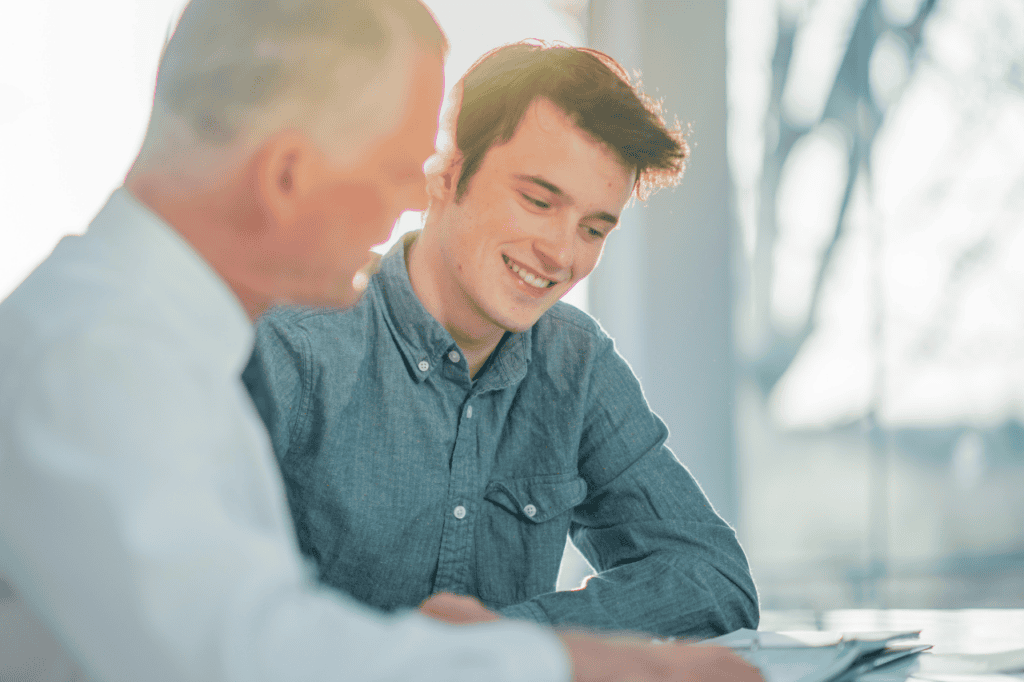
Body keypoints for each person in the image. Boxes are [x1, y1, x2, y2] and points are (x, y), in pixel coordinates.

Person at [0, 1, 763, 681]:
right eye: (398, 169)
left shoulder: (163, 343)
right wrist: (571, 662)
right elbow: (245, 654)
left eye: (594, 225)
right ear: (287, 176)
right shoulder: (99, 358)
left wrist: (511, 638)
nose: (414, 194)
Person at [243, 41, 760, 640]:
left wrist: (492, 643)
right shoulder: (293, 341)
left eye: (594, 228)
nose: (562, 255)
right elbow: (206, 612)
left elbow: (713, 582)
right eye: (538, 202)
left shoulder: (576, 362)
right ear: (447, 171)